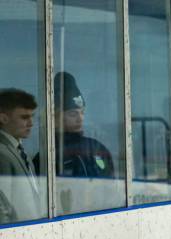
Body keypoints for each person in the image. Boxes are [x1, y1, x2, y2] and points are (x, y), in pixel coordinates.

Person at [32, 72, 114, 178]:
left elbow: (112, 182)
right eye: (72, 114)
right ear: (56, 117)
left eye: (82, 112)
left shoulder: (95, 147)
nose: (80, 118)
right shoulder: (46, 156)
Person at [0, 88, 43, 223]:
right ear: (3, 118)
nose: (31, 123)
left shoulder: (21, 152)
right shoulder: (2, 155)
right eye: (24, 117)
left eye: (32, 116)